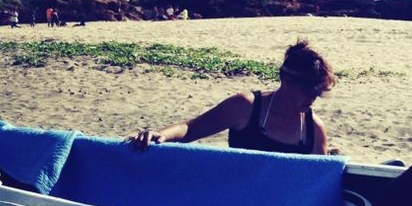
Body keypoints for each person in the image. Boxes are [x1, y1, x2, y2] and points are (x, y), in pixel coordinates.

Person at [126, 39, 334, 154]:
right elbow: (191, 128)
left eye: (318, 92)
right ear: (286, 81)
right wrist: (159, 135)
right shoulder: (245, 107)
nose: (313, 97)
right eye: (308, 90)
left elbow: (318, 183)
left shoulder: (314, 129)